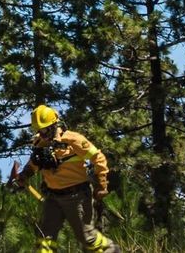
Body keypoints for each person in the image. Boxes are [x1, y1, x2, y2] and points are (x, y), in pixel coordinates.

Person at [13, 105, 120, 253]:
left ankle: (113, 250)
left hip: (77, 197)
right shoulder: (39, 142)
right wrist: (25, 175)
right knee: (44, 241)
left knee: (87, 238)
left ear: (53, 125)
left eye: (44, 130)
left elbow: (98, 158)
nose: (41, 134)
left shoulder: (73, 140)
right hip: (52, 197)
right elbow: (35, 163)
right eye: (38, 130)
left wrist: (102, 185)